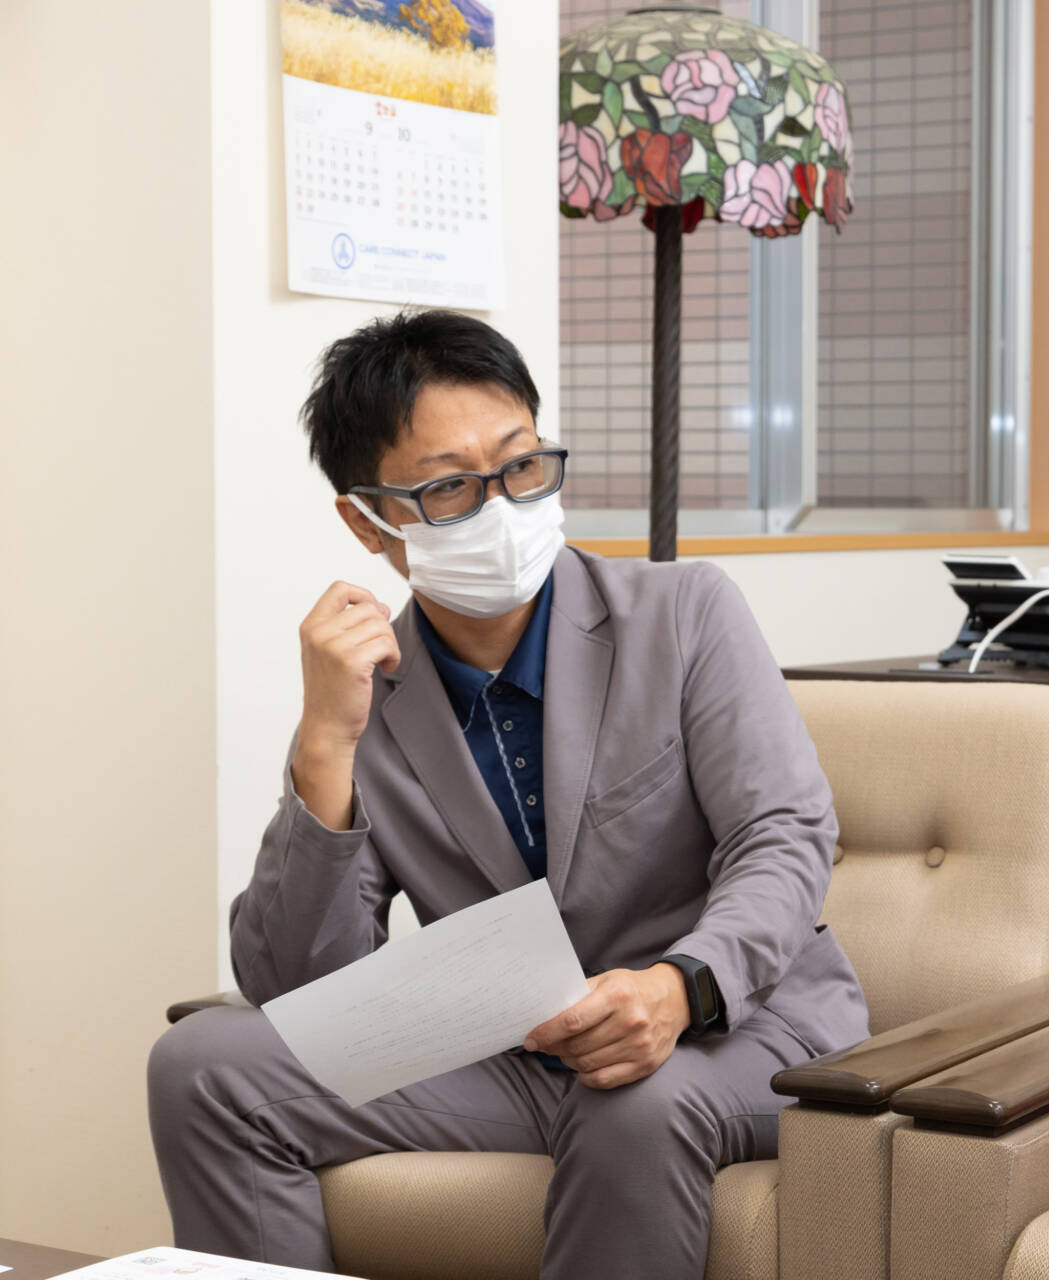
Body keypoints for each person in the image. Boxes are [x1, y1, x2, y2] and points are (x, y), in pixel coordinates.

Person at [146, 309, 868, 1280]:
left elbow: (783, 834)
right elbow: (300, 986)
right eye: (449, 486)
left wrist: (677, 985)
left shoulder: (685, 614)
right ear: (370, 521)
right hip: (516, 1050)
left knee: (637, 1103)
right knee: (203, 1065)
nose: (500, 506)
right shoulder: (372, 696)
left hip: (736, 1026)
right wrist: (325, 743)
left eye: (522, 465)